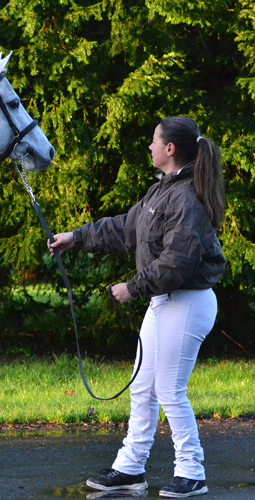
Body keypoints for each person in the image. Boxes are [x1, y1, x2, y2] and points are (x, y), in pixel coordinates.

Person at [49, 117, 226, 498]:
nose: (149, 146)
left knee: (169, 389)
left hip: (188, 302)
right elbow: (125, 229)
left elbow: (179, 261)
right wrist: (75, 238)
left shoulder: (187, 198)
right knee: (143, 387)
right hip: (164, 301)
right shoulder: (162, 190)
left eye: (153, 141)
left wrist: (134, 287)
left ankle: (192, 472)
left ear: (170, 149)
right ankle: (130, 469)